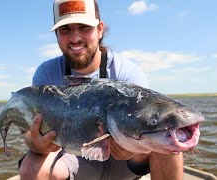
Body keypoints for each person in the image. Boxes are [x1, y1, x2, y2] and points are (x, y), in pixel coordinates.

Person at [19, 0, 183, 179]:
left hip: (124, 161)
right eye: (65, 29)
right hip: (74, 157)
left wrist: (134, 150)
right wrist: (36, 143)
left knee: (170, 140)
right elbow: (29, 131)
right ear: (56, 34)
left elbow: (148, 121)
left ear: (100, 29)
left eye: (84, 27)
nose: (75, 38)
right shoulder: (46, 75)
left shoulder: (126, 73)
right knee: (31, 168)